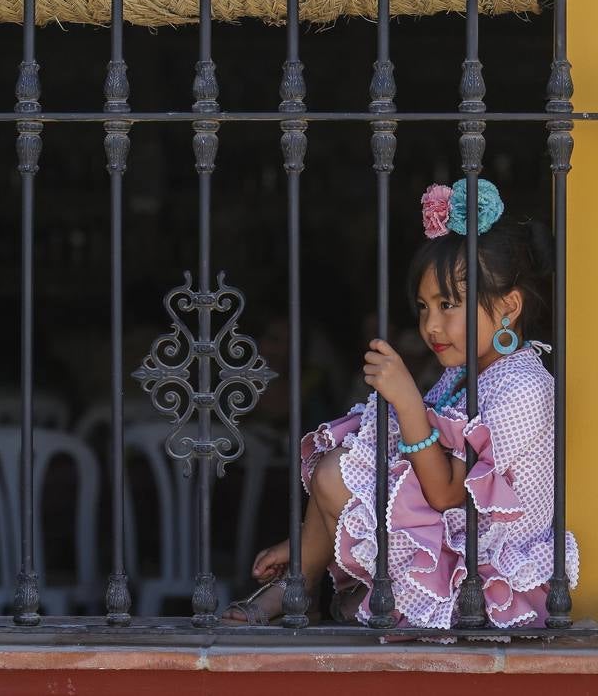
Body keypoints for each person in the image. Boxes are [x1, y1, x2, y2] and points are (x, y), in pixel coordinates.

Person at [223, 179, 579, 631]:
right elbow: (392, 464)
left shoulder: (524, 387)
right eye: (423, 306)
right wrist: (306, 540)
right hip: (448, 534)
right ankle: (301, 579)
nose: (431, 324)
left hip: (482, 573)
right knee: (346, 460)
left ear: (508, 306)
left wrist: (408, 400)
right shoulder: (464, 374)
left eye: (448, 304)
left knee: (339, 469)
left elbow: (448, 492)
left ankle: (300, 585)